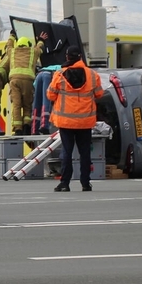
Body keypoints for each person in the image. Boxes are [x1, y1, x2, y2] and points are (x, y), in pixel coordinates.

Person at [47, 46, 103, 192]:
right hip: (85, 121)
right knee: (85, 153)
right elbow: (99, 94)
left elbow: (50, 95)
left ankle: (65, 183)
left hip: (66, 122)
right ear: (80, 57)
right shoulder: (92, 75)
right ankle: (85, 183)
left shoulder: (59, 74)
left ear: (67, 57)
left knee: (67, 151)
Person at [7, 34, 45, 135]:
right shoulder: (32, 51)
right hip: (28, 81)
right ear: (27, 44)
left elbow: (8, 46)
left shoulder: (12, 52)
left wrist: (12, 36)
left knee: (16, 105)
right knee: (27, 105)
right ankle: (27, 126)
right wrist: (41, 40)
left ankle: (18, 129)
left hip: (14, 81)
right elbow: (40, 49)